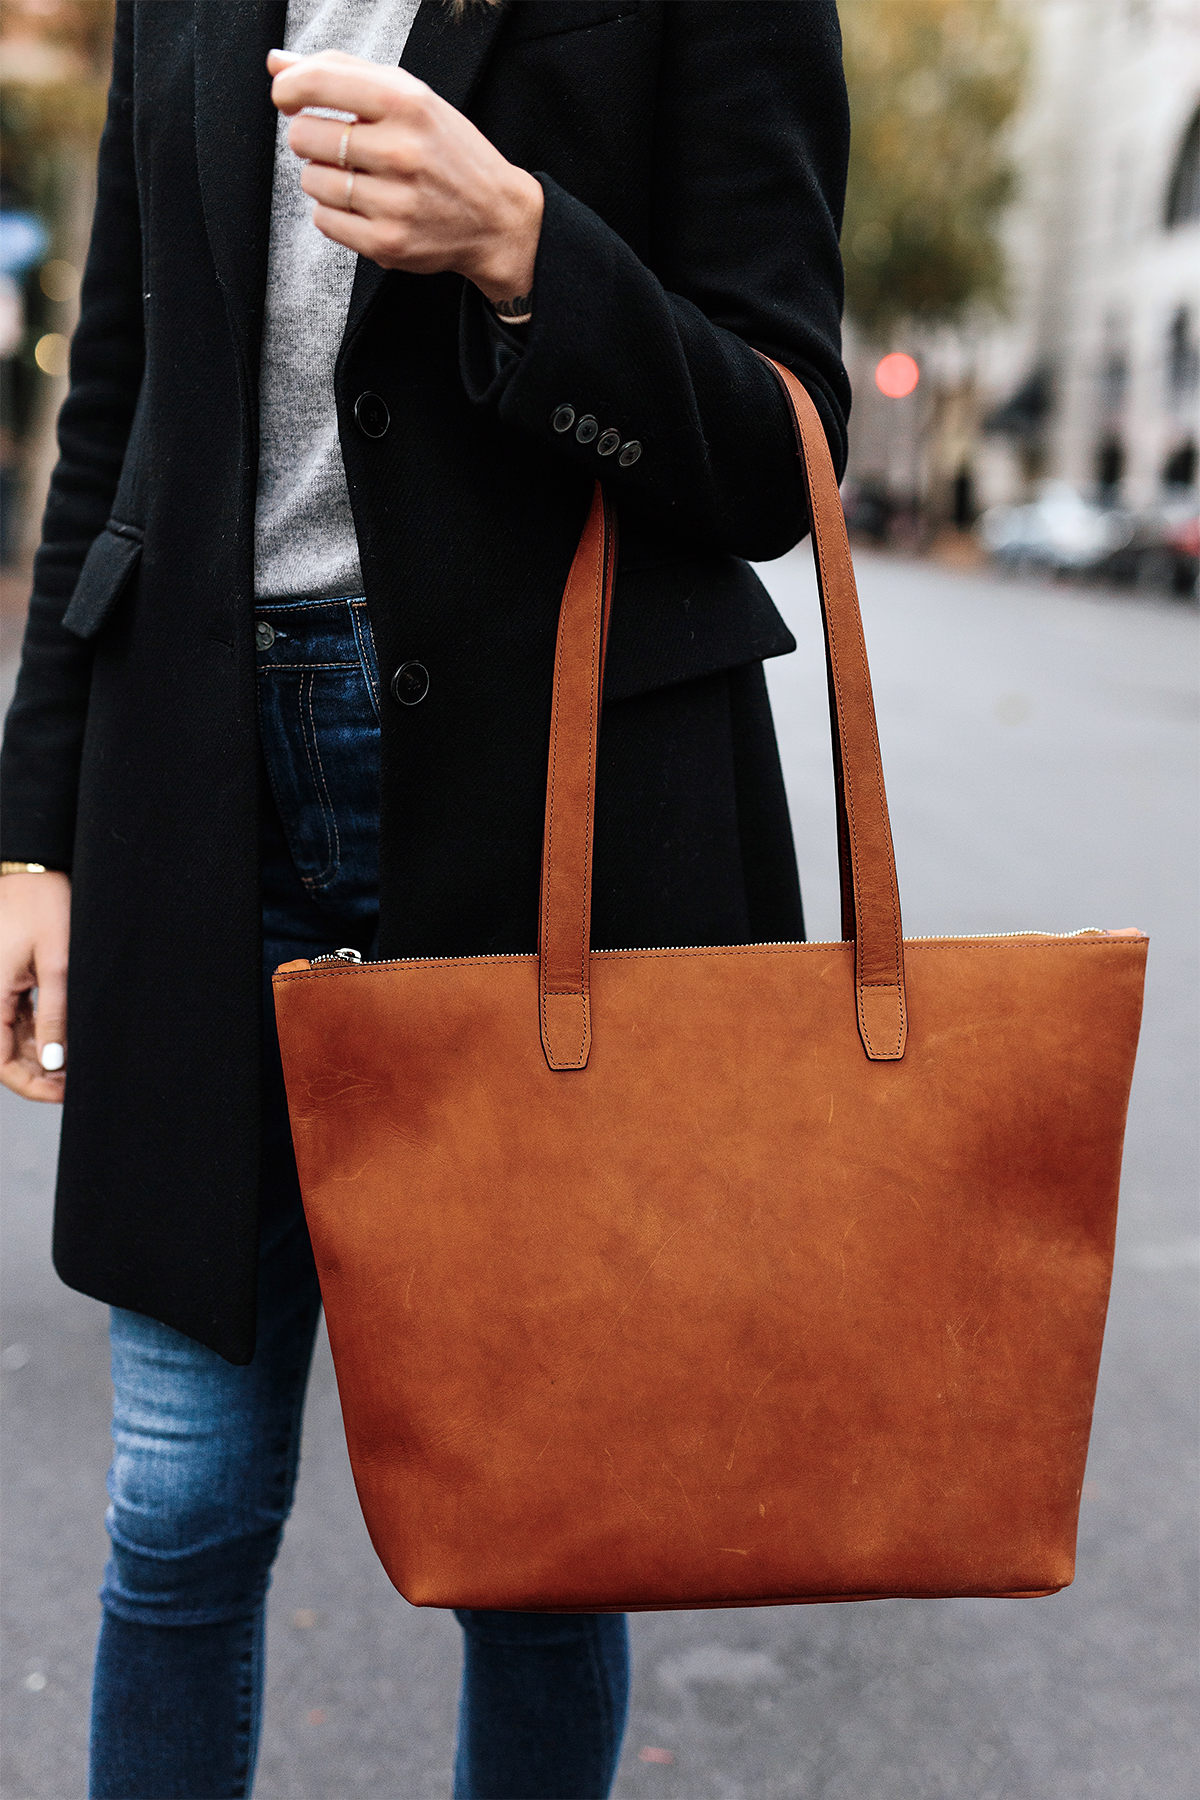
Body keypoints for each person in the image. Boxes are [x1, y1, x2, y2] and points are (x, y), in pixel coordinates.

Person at [0, 2, 851, 1794]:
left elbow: (783, 454)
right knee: (176, 1512)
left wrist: (526, 248)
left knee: (537, 1545)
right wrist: (39, 828)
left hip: (555, 817)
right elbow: (121, 405)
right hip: (200, 794)